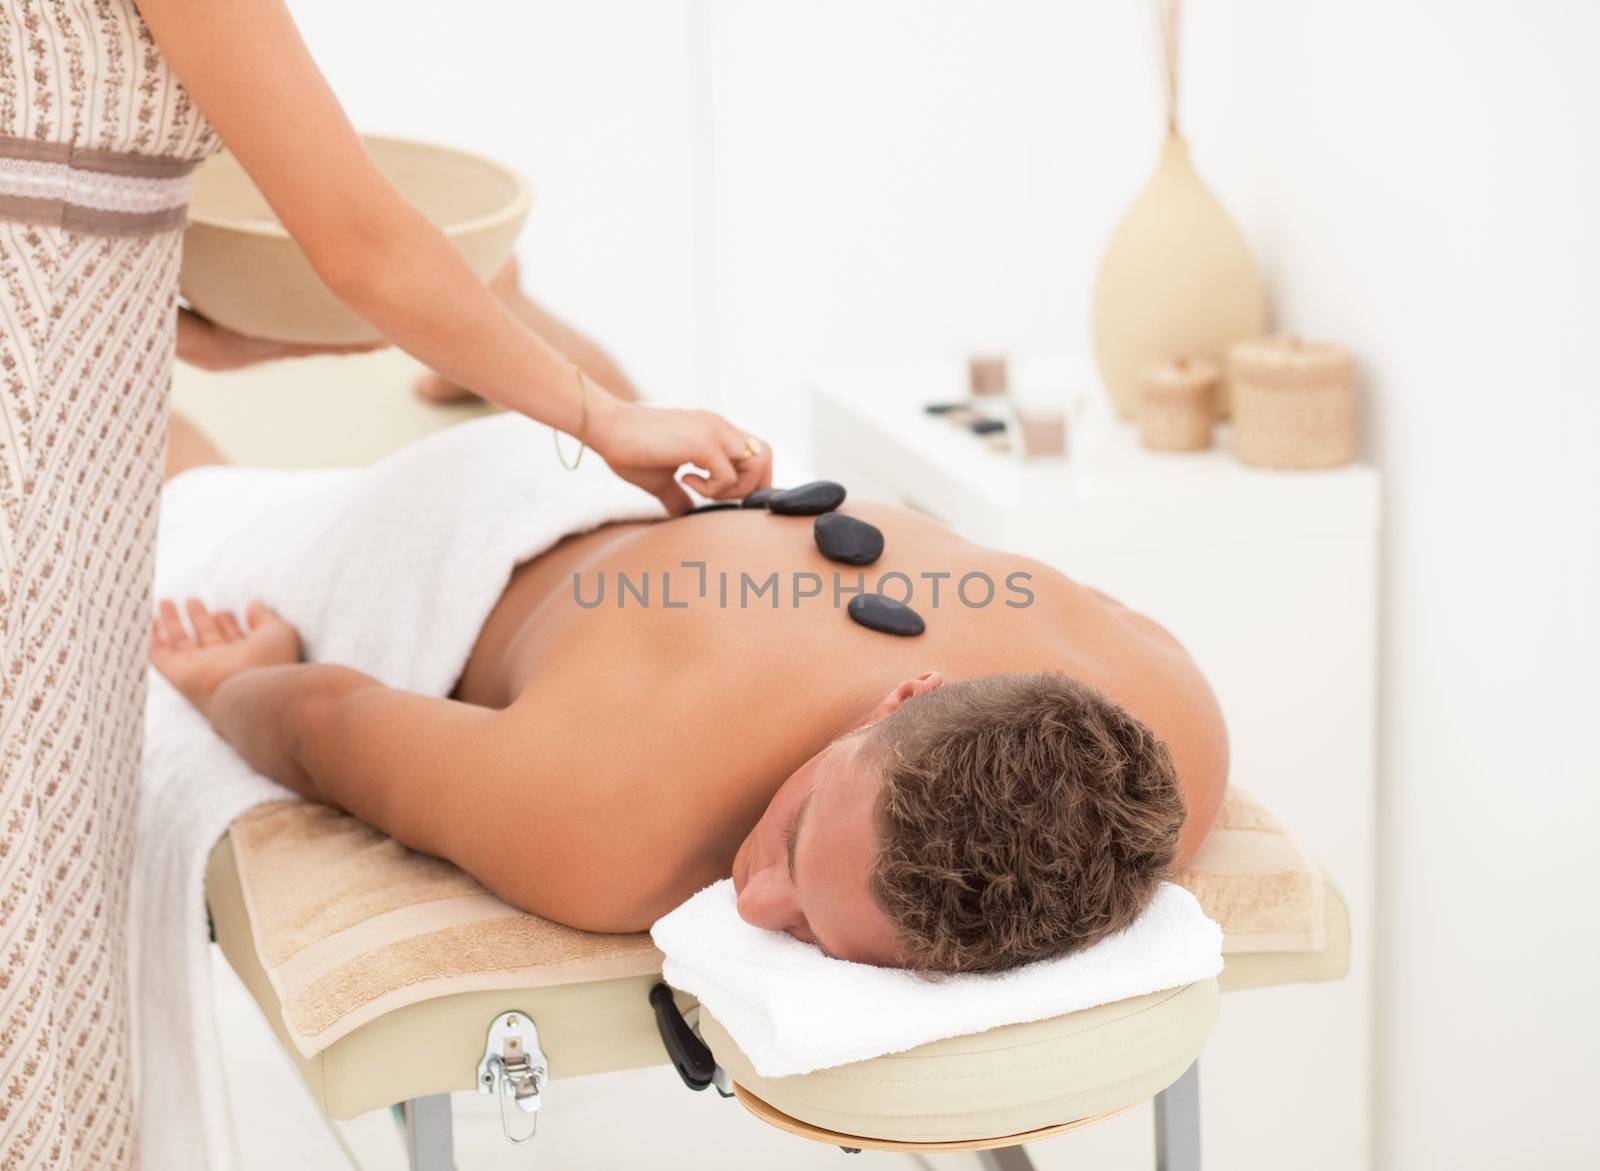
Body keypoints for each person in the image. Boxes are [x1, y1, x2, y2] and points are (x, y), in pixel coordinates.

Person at [0, 2, 766, 1164]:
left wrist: (278, 331)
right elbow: (356, 237)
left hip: (79, 451)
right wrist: (599, 415)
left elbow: (79, 219)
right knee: (32, 973)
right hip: (40, 480)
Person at [150, 414, 1229, 975]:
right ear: (898, 696)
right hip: (477, 525)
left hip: (721, 491)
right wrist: (240, 678)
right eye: (799, 846)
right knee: (183, 510)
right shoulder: (606, 821)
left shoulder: (1159, 738)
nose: (757, 903)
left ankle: (530, 330)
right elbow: (323, 721)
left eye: (816, 931)